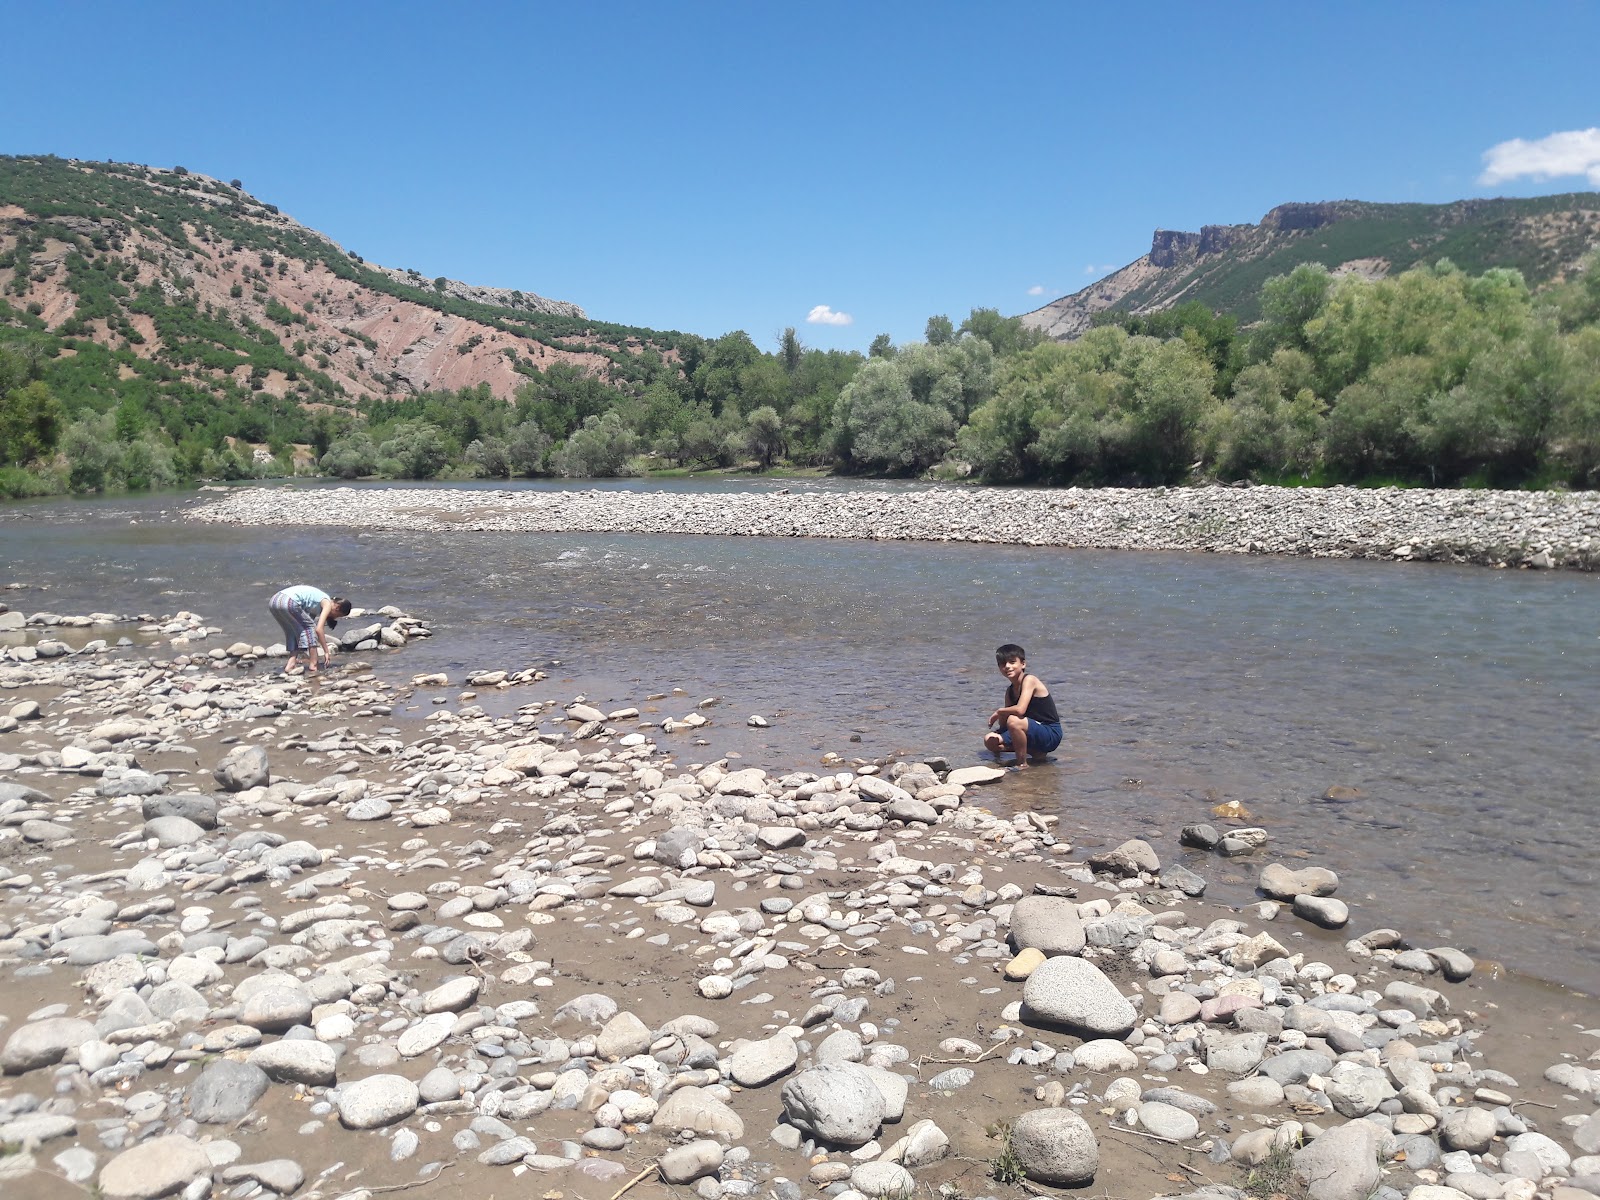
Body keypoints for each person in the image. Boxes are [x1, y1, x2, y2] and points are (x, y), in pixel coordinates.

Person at [983, 643, 1063, 769]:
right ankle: (1035, 752)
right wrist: (999, 728)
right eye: (1003, 664)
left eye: (1012, 662)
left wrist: (1000, 712)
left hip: (1050, 732)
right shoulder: (1009, 692)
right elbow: (1004, 726)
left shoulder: (1030, 680)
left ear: (1023, 664)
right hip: (1030, 730)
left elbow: (1020, 710)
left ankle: (1022, 764)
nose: (1007, 667)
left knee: (1014, 721)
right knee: (990, 740)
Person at [268, 585, 352, 675]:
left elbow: (306, 627)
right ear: (337, 607)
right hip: (288, 601)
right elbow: (318, 629)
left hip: (274, 601)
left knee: (293, 631)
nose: (334, 618)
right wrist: (326, 651)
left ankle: (291, 664)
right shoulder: (327, 603)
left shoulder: (316, 604)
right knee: (310, 628)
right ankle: (313, 665)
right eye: (338, 615)